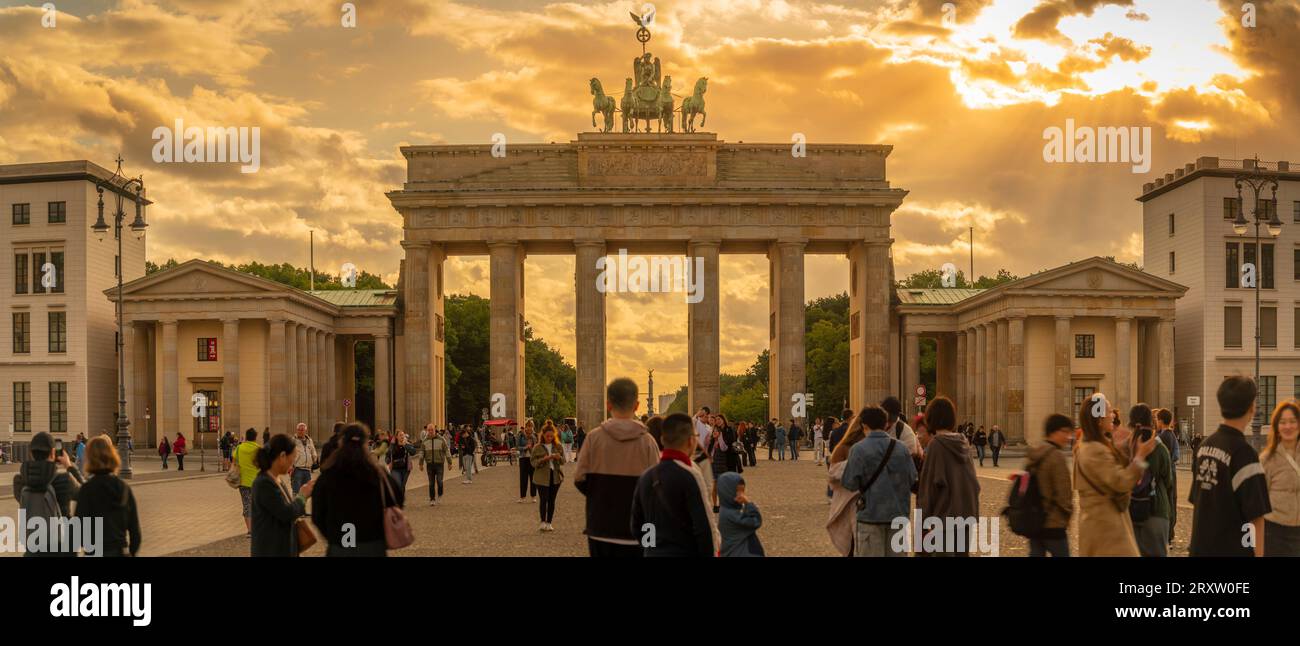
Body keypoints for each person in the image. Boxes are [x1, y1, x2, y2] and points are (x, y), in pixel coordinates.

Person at [572, 378, 661, 556]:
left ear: (608, 404)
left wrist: (600, 494)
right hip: (639, 530)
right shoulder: (648, 442)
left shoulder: (594, 438)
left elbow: (579, 478)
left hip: (600, 526)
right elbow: (657, 487)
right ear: (636, 405)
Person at [1189, 376, 1272, 557]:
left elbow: (1197, 499)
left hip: (1200, 548)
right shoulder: (1244, 454)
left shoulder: (1204, 446)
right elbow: (1256, 517)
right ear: (1252, 408)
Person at [1074, 393, 1154, 557]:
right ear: (1098, 419)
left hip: (1100, 523)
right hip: (1106, 527)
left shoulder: (1091, 446)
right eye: (1109, 411)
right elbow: (1121, 481)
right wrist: (1140, 457)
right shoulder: (1095, 450)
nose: (1113, 415)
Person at [630, 413, 717, 556]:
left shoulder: (646, 477)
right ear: (690, 441)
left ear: (663, 440)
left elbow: (637, 525)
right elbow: (704, 528)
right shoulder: (690, 475)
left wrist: (653, 548)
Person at [312, 423, 405, 556]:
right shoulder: (378, 474)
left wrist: (333, 536)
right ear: (365, 443)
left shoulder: (329, 475)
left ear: (341, 442)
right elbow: (397, 501)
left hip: (341, 543)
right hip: (372, 542)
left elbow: (317, 514)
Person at [842, 406, 917, 557]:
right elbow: (912, 478)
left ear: (864, 425)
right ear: (885, 425)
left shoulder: (858, 449)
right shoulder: (901, 448)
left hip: (870, 517)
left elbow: (849, 483)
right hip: (898, 517)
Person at [915, 396, 979, 556]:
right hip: (966, 515)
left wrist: (923, 522)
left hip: (944, 518)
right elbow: (974, 483)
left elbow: (929, 488)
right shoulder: (964, 442)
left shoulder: (936, 445)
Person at [12, 431, 84, 556]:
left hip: (34, 549)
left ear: (31, 453)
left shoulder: (20, 482)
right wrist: (69, 465)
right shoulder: (65, 480)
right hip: (63, 548)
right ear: (52, 452)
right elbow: (86, 493)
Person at [75, 436, 141, 557]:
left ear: (89, 459)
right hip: (119, 550)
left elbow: (77, 529)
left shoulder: (87, 489)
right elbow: (135, 533)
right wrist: (130, 553)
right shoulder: (124, 488)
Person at [250, 434, 313, 557]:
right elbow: (286, 512)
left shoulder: (275, 479)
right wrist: (302, 496)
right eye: (292, 459)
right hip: (270, 550)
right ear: (283, 456)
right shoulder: (264, 483)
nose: (292, 464)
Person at [1124, 404, 1174, 557]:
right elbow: (1168, 482)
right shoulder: (1159, 448)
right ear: (1151, 422)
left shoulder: (1124, 447)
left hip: (1129, 510)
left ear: (1130, 422)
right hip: (1156, 509)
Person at [1023, 414, 1074, 557]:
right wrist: (1066, 516)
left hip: (1034, 520)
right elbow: (1064, 494)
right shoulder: (1056, 456)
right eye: (1065, 432)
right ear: (1054, 432)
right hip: (1054, 523)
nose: (1068, 437)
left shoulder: (1035, 453)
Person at [1261, 400, 1300, 556]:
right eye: (1283, 422)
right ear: (1276, 427)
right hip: (1275, 533)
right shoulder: (1267, 460)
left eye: (1292, 421)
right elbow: (1260, 499)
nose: (1288, 426)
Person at [717, 472, 764, 557]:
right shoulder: (730, 514)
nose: (742, 495)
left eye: (743, 491)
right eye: (738, 491)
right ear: (728, 492)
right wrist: (748, 503)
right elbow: (755, 521)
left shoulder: (727, 508)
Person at [531, 421, 566, 531]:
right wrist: (544, 459)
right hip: (541, 477)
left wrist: (558, 457)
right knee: (544, 499)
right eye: (547, 436)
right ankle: (542, 521)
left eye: (552, 436)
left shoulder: (558, 446)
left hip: (555, 476)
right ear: (543, 435)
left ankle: (549, 522)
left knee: (552, 500)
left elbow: (563, 461)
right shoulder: (537, 447)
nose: (549, 438)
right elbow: (533, 462)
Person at [1154, 408, 1180, 541]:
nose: (1156, 422)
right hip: (1172, 472)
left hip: (1165, 474)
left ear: (1161, 421)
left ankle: (1167, 533)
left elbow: (1161, 458)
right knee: (1172, 501)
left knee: (1166, 502)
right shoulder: (1173, 435)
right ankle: (1171, 532)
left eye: (1157, 419)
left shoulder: (1161, 438)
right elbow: (1176, 455)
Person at [232, 428, 261, 537]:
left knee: (247, 504)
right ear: (255, 437)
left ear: (246, 436)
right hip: (257, 482)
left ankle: (250, 530)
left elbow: (234, 461)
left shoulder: (239, 448)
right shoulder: (258, 449)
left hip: (243, 481)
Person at [421, 425, 451, 506]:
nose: (430, 431)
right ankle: (432, 498)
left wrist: (449, 462)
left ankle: (440, 494)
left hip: (439, 464)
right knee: (431, 483)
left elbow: (446, 450)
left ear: (435, 430)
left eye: (432, 430)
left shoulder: (441, 439)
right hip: (429, 464)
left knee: (439, 481)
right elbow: (422, 452)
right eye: (429, 430)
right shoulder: (425, 441)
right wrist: (420, 463)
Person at [291, 423, 317, 495]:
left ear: (305, 431)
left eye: (302, 430)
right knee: (296, 491)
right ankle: (295, 506)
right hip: (297, 469)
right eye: (298, 430)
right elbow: (289, 453)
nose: (300, 431)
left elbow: (313, 450)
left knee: (306, 493)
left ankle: (303, 506)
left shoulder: (309, 440)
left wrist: (314, 458)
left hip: (307, 469)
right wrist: (291, 466)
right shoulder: (293, 440)